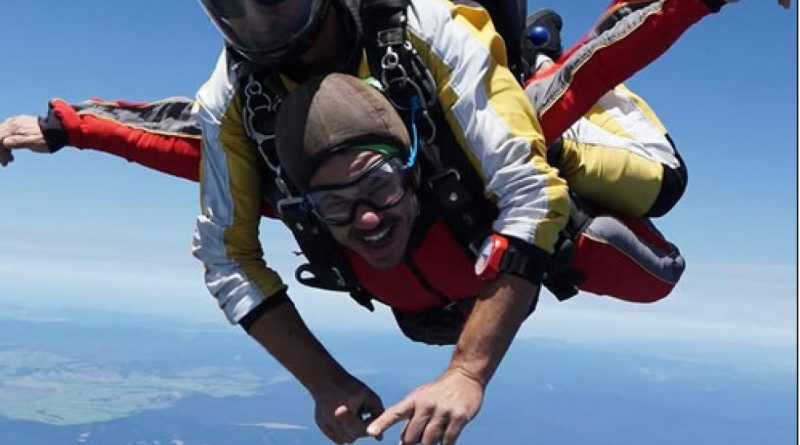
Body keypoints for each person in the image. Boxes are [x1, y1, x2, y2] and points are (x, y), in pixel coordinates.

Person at [0, 1, 790, 443]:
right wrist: (61, 127)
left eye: (278, 0)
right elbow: (207, 204)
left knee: (641, 202)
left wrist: (468, 373)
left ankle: (535, 57)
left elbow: (535, 182)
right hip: (410, 244)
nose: (262, 28)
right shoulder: (238, 100)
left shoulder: (427, 30)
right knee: (298, 195)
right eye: (235, 9)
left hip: (472, 149)